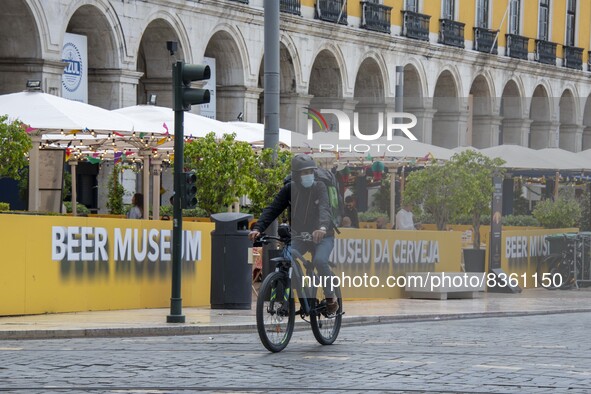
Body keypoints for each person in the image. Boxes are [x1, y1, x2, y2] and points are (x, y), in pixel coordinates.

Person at [248, 154, 339, 314]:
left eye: (311, 171)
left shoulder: (319, 187)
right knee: (286, 259)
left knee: (319, 260)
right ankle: (293, 297)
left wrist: (323, 228)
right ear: (296, 175)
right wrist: (258, 228)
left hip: (323, 235)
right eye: (304, 172)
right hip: (299, 237)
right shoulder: (289, 189)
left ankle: (331, 297)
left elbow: (325, 208)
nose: (308, 175)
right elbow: (273, 209)